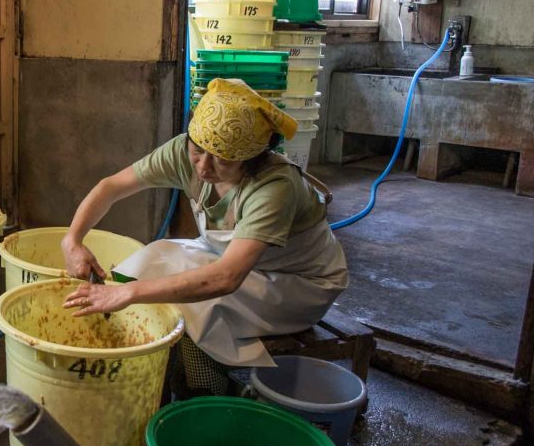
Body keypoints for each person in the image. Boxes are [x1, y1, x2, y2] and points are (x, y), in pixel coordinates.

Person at [61, 78, 348, 395]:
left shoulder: (274, 186)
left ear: (251, 159)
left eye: (223, 159)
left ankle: (206, 390)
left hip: (297, 284)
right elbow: (111, 187)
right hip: (235, 262)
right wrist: (72, 240)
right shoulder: (184, 151)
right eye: (198, 150)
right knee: (150, 260)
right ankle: (164, 373)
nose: (203, 167)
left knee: (197, 304)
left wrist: (129, 294)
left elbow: (226, 278)